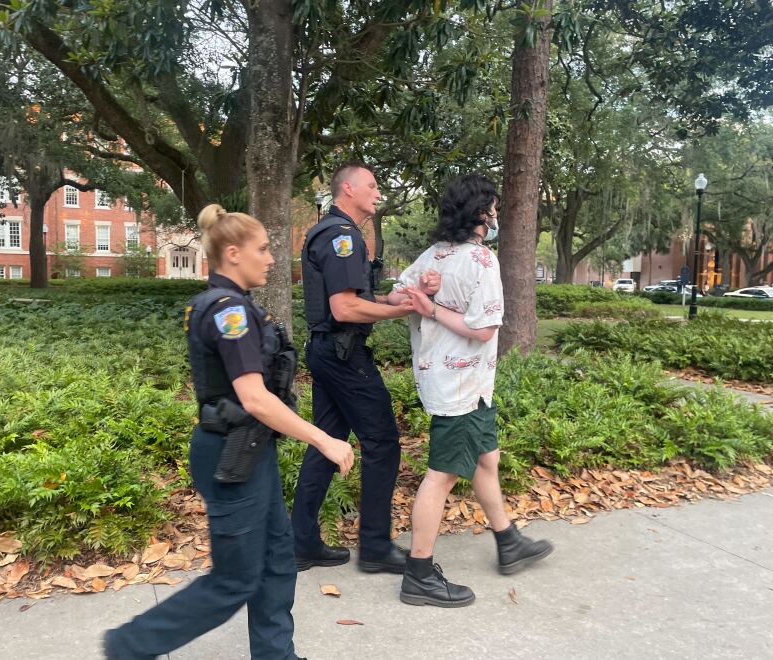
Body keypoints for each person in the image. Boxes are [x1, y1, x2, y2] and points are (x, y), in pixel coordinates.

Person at [104, 204, 354, 659]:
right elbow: (255, 398)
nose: (272, 258)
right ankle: (128, 646)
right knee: (234, 580)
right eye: (263, 249)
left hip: (249, 452)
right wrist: (323, 438)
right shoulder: (228, 312)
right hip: (231, 456)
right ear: (234, 253)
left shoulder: (234, 306)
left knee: (278, 562)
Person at [389, 173, 552, 607]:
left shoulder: (434, 255)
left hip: (458, 382)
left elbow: (393, 295)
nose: (495, 217)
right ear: (481, 214)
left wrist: (419, 297)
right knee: (441, 476)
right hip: (461, 385)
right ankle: (419, 574)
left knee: (487, 457)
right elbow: (482, 331)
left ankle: (508, 540)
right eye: (493, 209)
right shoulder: (481, 261)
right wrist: (432, 306)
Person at [291, 161, 438, 574]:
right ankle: (374, 547)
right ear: (348, 189)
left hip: (327, 351)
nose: (378, 193)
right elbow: (345, 307)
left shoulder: (337, 233)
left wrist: (394, 298)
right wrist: (403, 311)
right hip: (344, 355)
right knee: (383, 443)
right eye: (372, 186)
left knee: (325, 442)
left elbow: (356, 295)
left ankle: (300, 543)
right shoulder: (342, 237)